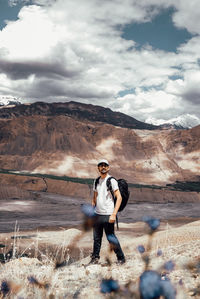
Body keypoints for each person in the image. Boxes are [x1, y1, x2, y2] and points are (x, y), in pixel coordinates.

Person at [90, 159, 125, 265]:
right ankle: (95, 258)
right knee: (96, 238)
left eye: (105, 165)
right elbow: (94, 197)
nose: (103, 167)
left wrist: (114, 214)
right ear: (98, 168)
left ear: (108, 168)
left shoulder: (111, 181)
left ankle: (121, 258)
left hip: (108, 214)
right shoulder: (96, 181)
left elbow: (119, 198)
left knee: (110, 237)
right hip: (97, 214)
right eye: (101, 165)